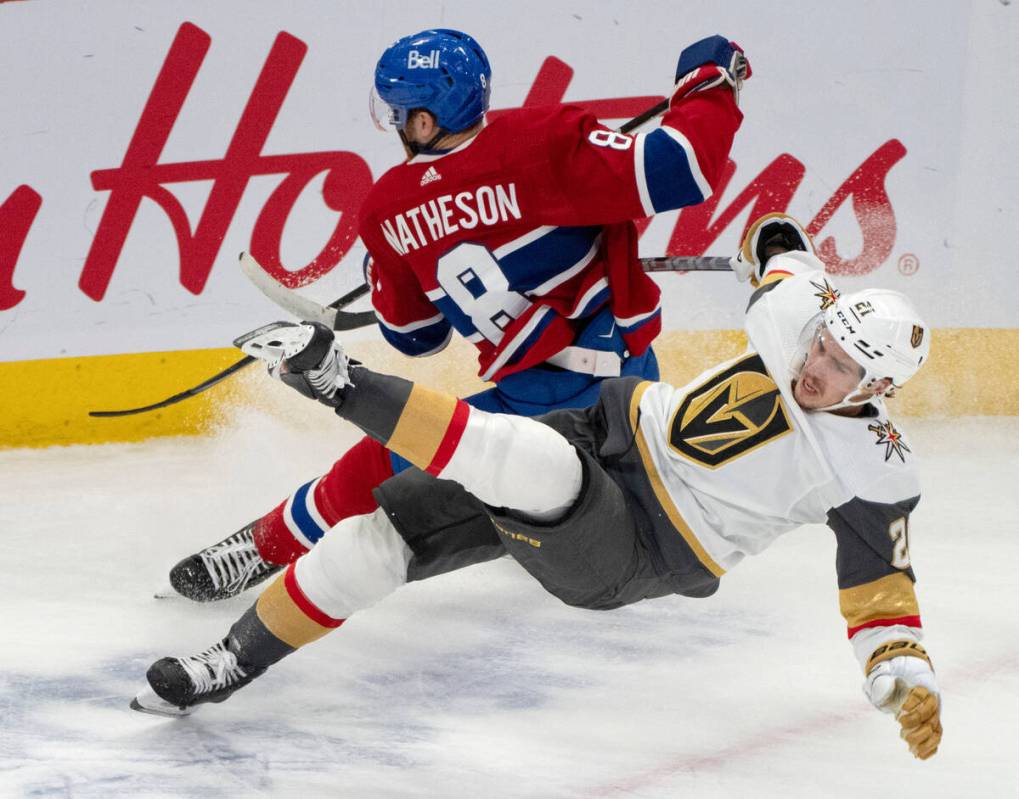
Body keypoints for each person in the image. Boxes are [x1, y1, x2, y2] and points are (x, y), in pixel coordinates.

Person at [134, 214, 942, 761]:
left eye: (839, 367)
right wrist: (762, 244)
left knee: (529, 463)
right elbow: (781, 246)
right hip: (608, 428)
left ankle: (339, 382)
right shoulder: (802, 313)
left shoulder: (871, 466)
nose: (815, 365)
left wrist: (902, 672)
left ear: (877, 387)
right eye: (823, 344)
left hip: (641, 544)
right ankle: (228, 662)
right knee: (374, 541)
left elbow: (882, 591)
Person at [167, 29, 751, 603]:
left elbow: (417, 338)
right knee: (604, 504)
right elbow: (684, 167)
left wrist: (386, 265)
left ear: (424, 122)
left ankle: (267, 547)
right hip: (630, 396)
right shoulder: (545, 139)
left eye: (400, 113)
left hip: (530, 406)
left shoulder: (388, 208)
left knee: (387, 457)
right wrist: (709, 82)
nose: (397, 126)